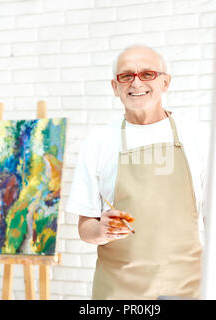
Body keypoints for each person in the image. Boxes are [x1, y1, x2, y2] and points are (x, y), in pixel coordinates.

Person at [66, 44, 206, 300]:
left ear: (166, 82)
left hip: (186, 287)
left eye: (148, 74)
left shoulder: (197, 136)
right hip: (119, 290)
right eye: (126, 75)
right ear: (115, 86)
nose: (136, 82)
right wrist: (100, 231)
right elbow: (85, 226)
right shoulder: (98, 141)